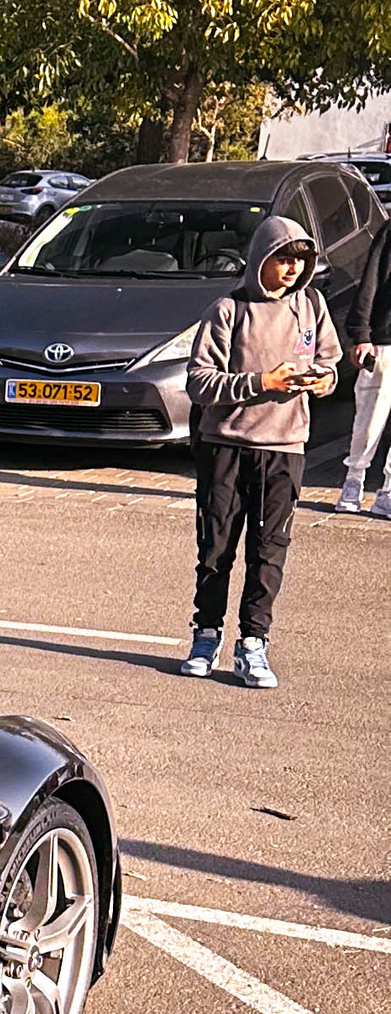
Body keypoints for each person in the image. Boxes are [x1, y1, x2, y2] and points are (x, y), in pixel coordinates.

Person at [181, 211, 341, 687]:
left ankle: (253, 644)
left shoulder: (311, 306)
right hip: (225, 445)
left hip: (285, 447)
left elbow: (330, 363)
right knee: (216, 548)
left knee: (269, 549)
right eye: (283, 258)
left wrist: (322, 380)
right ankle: (206, 634)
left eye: (301, 260)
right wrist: (261, 382)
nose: (292, 268)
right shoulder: (227, 310)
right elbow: (199, 382)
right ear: (260, 259)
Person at [334, 214, 391, 514]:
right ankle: (353, 480)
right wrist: (361, 333)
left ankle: (388, 492)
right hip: (385, 340)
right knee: (369, 419)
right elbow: (371, 280)